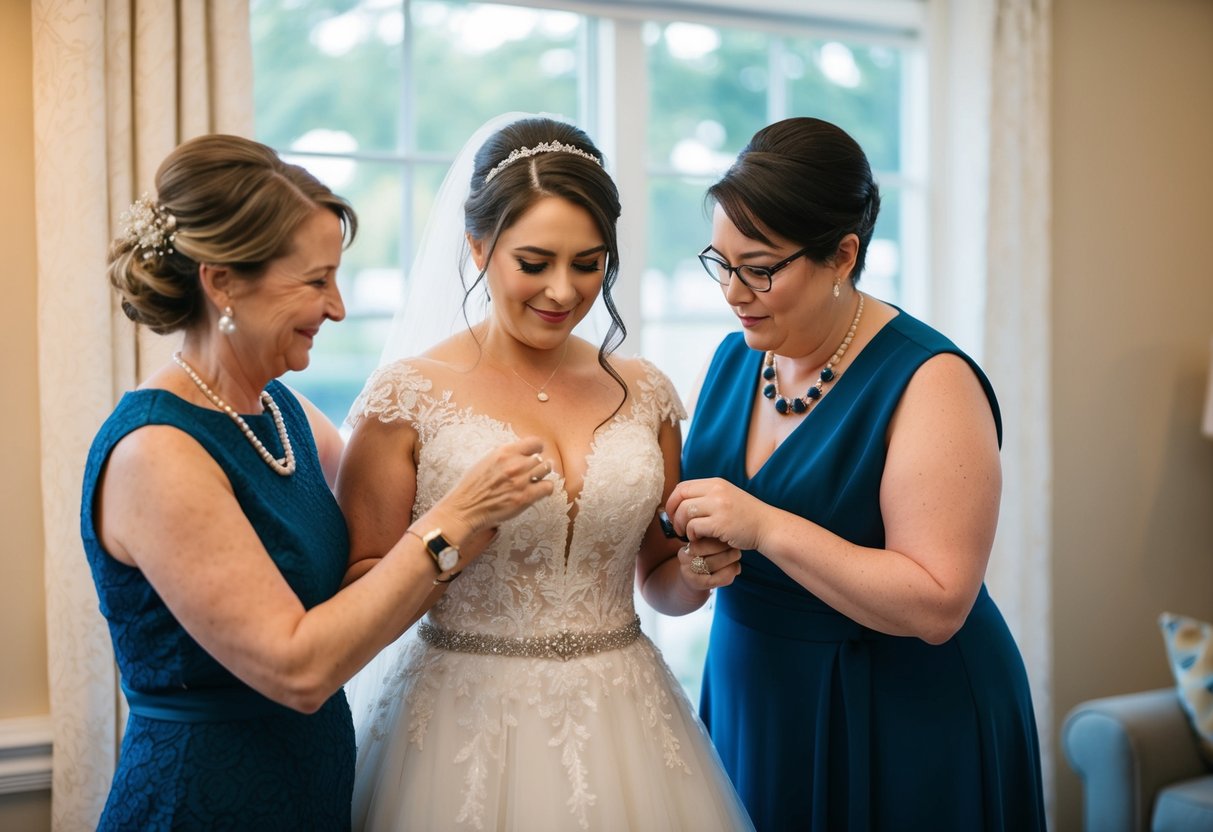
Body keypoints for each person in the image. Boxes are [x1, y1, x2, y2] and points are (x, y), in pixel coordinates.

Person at [81, 134, 553, 830]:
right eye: (314, 281)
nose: (336, 307)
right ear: (222, 283)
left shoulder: (283, 411)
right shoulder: (158, 452)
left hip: (310, 784)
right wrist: (451, 524)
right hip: (205, 798)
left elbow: (402, 516)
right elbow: (298, 670)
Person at [338, 115, 753, 831]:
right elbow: (357, 595)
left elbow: (656, 580)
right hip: (458, 728)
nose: (562, 292)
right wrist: (453, 527)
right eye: (534, 263)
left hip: (625, 719)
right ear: (476, 247)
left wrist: (693, 571)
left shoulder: (644, 391)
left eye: (587, 264)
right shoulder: (404, 397)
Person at [659, 117, 1047, 831]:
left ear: (841, 254)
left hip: (900, 710)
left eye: (760, 268)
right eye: (721, 264)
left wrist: (767, 527)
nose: (733, 292)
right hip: (755, 694)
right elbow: (684, 568)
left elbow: (937, 605)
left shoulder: (930, 380)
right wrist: (695, 562)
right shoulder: (729, 359)